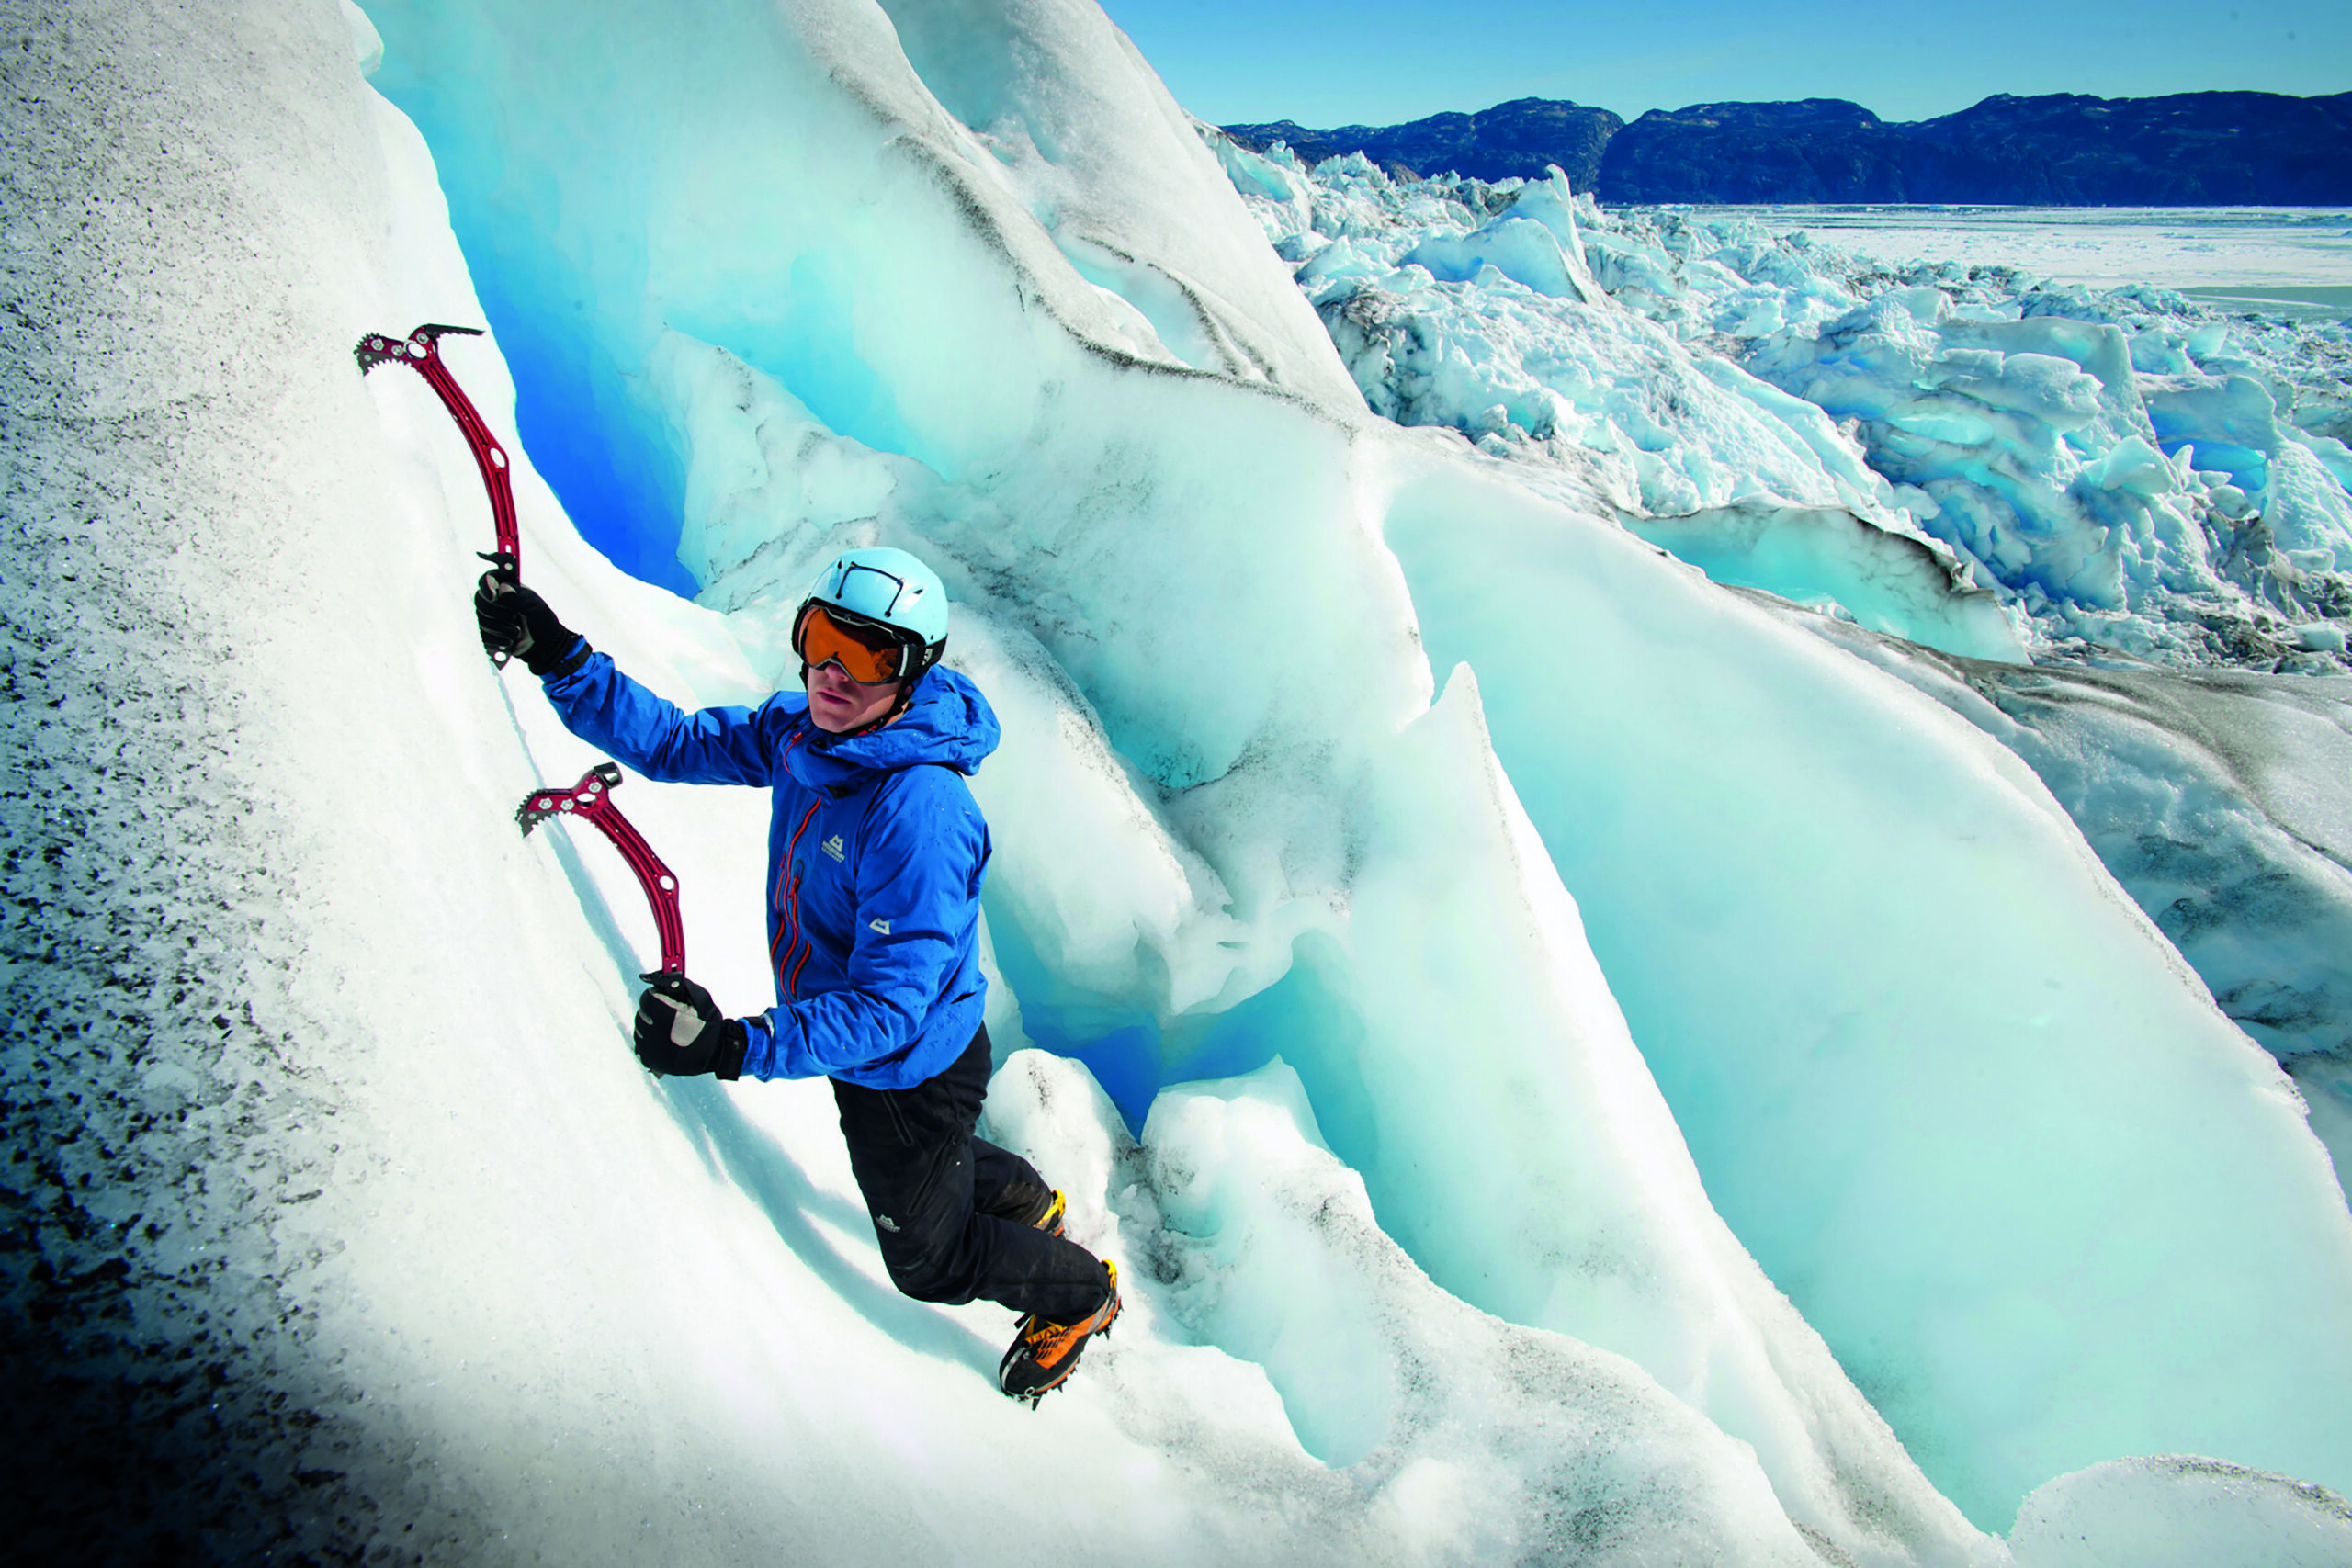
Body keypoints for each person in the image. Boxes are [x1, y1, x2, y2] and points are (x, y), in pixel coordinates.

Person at [476, 545, 1119, 1405]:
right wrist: (560, 656)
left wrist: (736, 1046)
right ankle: (1027, 1201)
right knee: (937, 1164)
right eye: (819, 640)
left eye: (865, 657)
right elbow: (673, 741)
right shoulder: (807, 735)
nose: (831, 674)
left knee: (929, 1258)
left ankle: (1080, 1295)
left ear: (912, 672)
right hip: (887, 1046)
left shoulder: (919, 812)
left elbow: (890, 1009)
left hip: (906, 1068)